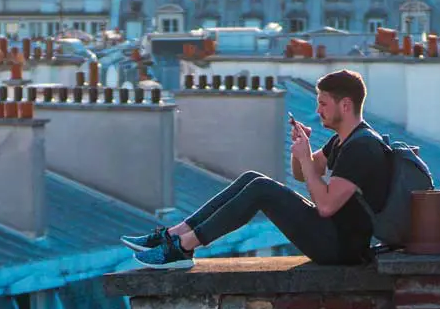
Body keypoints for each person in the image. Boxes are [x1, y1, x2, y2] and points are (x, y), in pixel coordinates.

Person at [126, 70, 390, 269]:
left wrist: (306, 160)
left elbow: (326, 206)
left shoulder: (362, 148)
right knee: (253, 179)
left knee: (262, 189)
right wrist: (301, 149)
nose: (317, 110)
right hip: (331, 233)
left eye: (323, 104)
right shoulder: (344, 141)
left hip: (341, 248)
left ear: (345, 105)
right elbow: (301, 175)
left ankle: (184, 248)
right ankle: (174, 235)